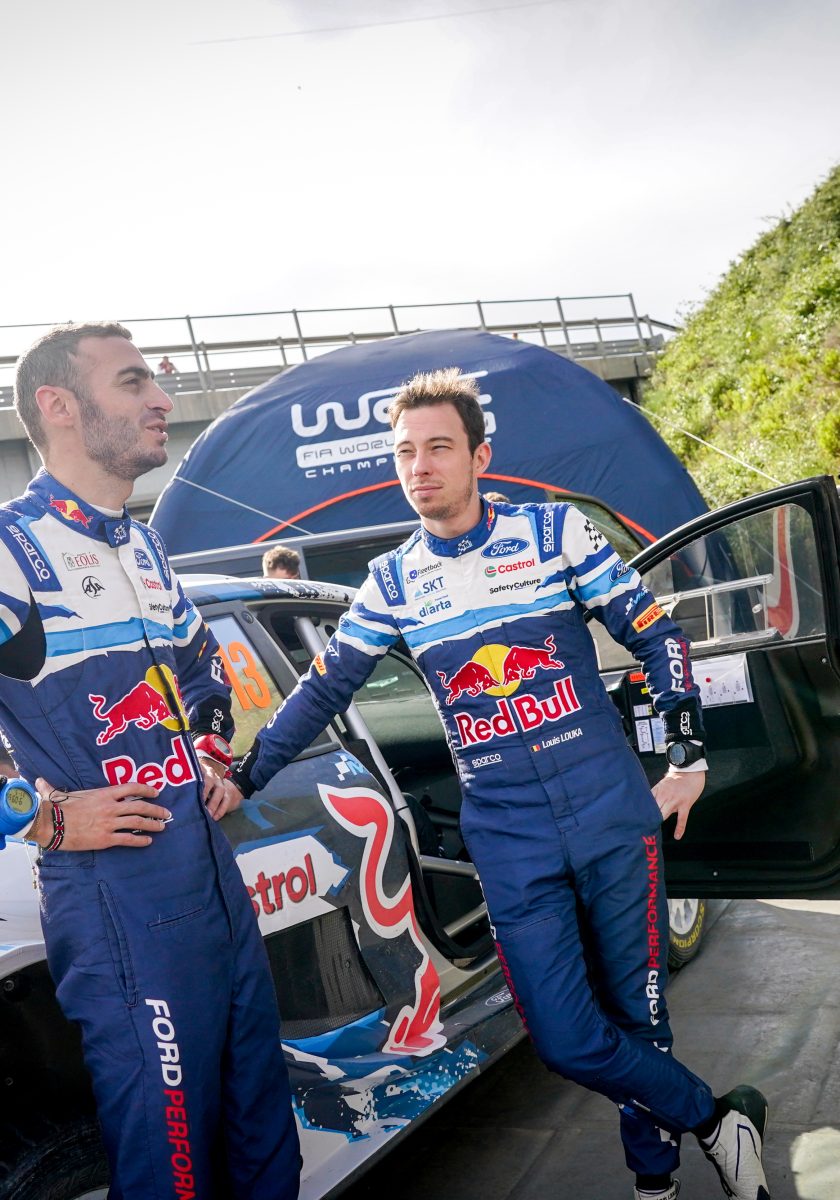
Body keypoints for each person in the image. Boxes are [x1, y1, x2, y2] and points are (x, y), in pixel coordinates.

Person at [230, 369, 770, 1200]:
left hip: (608, 810)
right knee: (566, 1039)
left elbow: (657, 636)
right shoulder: (392, 581)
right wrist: (243, 775)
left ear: (479, 457)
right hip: (511, 838)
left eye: (438, 447)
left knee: (641, 1019)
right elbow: (322, 690)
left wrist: (688, 758)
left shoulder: (554, 533)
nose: (420, 467)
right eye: (405, 452)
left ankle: (654, 1182)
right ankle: (715, 1119)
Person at [0, 323, 300, 1199]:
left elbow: (204, 671)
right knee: (172, 1169)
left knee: (263, 1139)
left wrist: (209, 752)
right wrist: (38, 817)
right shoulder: (11, 551)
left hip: (212, 880)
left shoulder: (143, 546)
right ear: (59, 405)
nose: (163, 400)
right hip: (117, 899)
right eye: (133, 383)